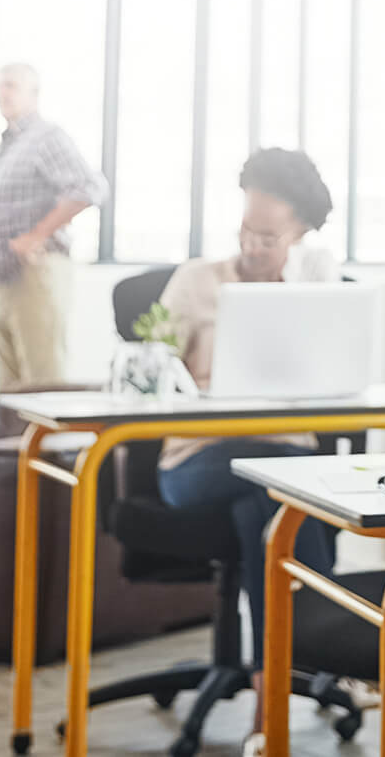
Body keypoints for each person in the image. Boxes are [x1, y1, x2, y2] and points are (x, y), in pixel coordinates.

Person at [154, 148, 339, 657]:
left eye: (268, 238)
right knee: (277, 484)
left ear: (299, 233)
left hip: (285, 456)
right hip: (195, 460)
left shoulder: (317, 290)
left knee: (260, 501)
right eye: (245, 231)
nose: (251, 247)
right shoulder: (196, 281)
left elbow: (343, 377)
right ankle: (329, 652)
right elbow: (147, 375)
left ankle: (269, 681)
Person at [0, 63, 106, 390]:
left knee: (43, 385)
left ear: (33, 95)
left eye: (11, 86)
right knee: (9, 390)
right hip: (4, 277)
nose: (2, 93)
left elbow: (90, 187)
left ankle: (52, 445)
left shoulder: (46, 137)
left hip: (37, 273)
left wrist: (36, 236)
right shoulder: (1, 147)